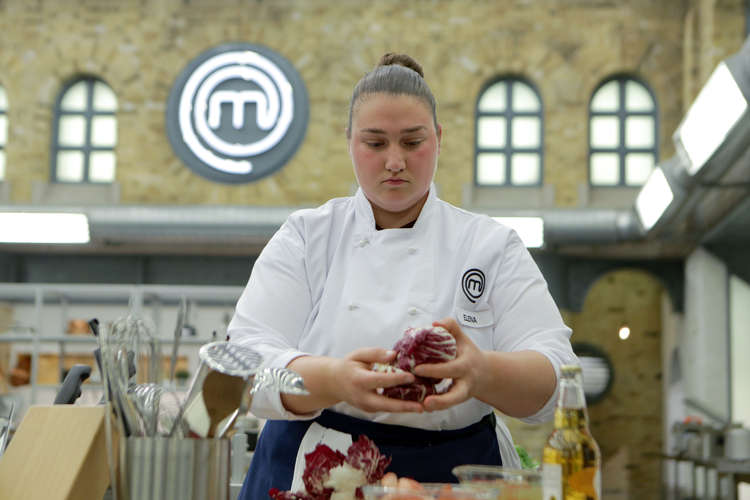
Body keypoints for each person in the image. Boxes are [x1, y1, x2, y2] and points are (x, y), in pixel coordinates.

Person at [228, 53, 577, 499]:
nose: (395, 161)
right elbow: (245, 366)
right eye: (375, 144)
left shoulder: (489, 245)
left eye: (412, 142)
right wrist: (332, 380)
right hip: (314, 468)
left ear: (439, 138)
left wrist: (483, 371)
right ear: (349, 141)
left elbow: (557, 374)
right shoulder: (308, 237)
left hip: (455, 472)